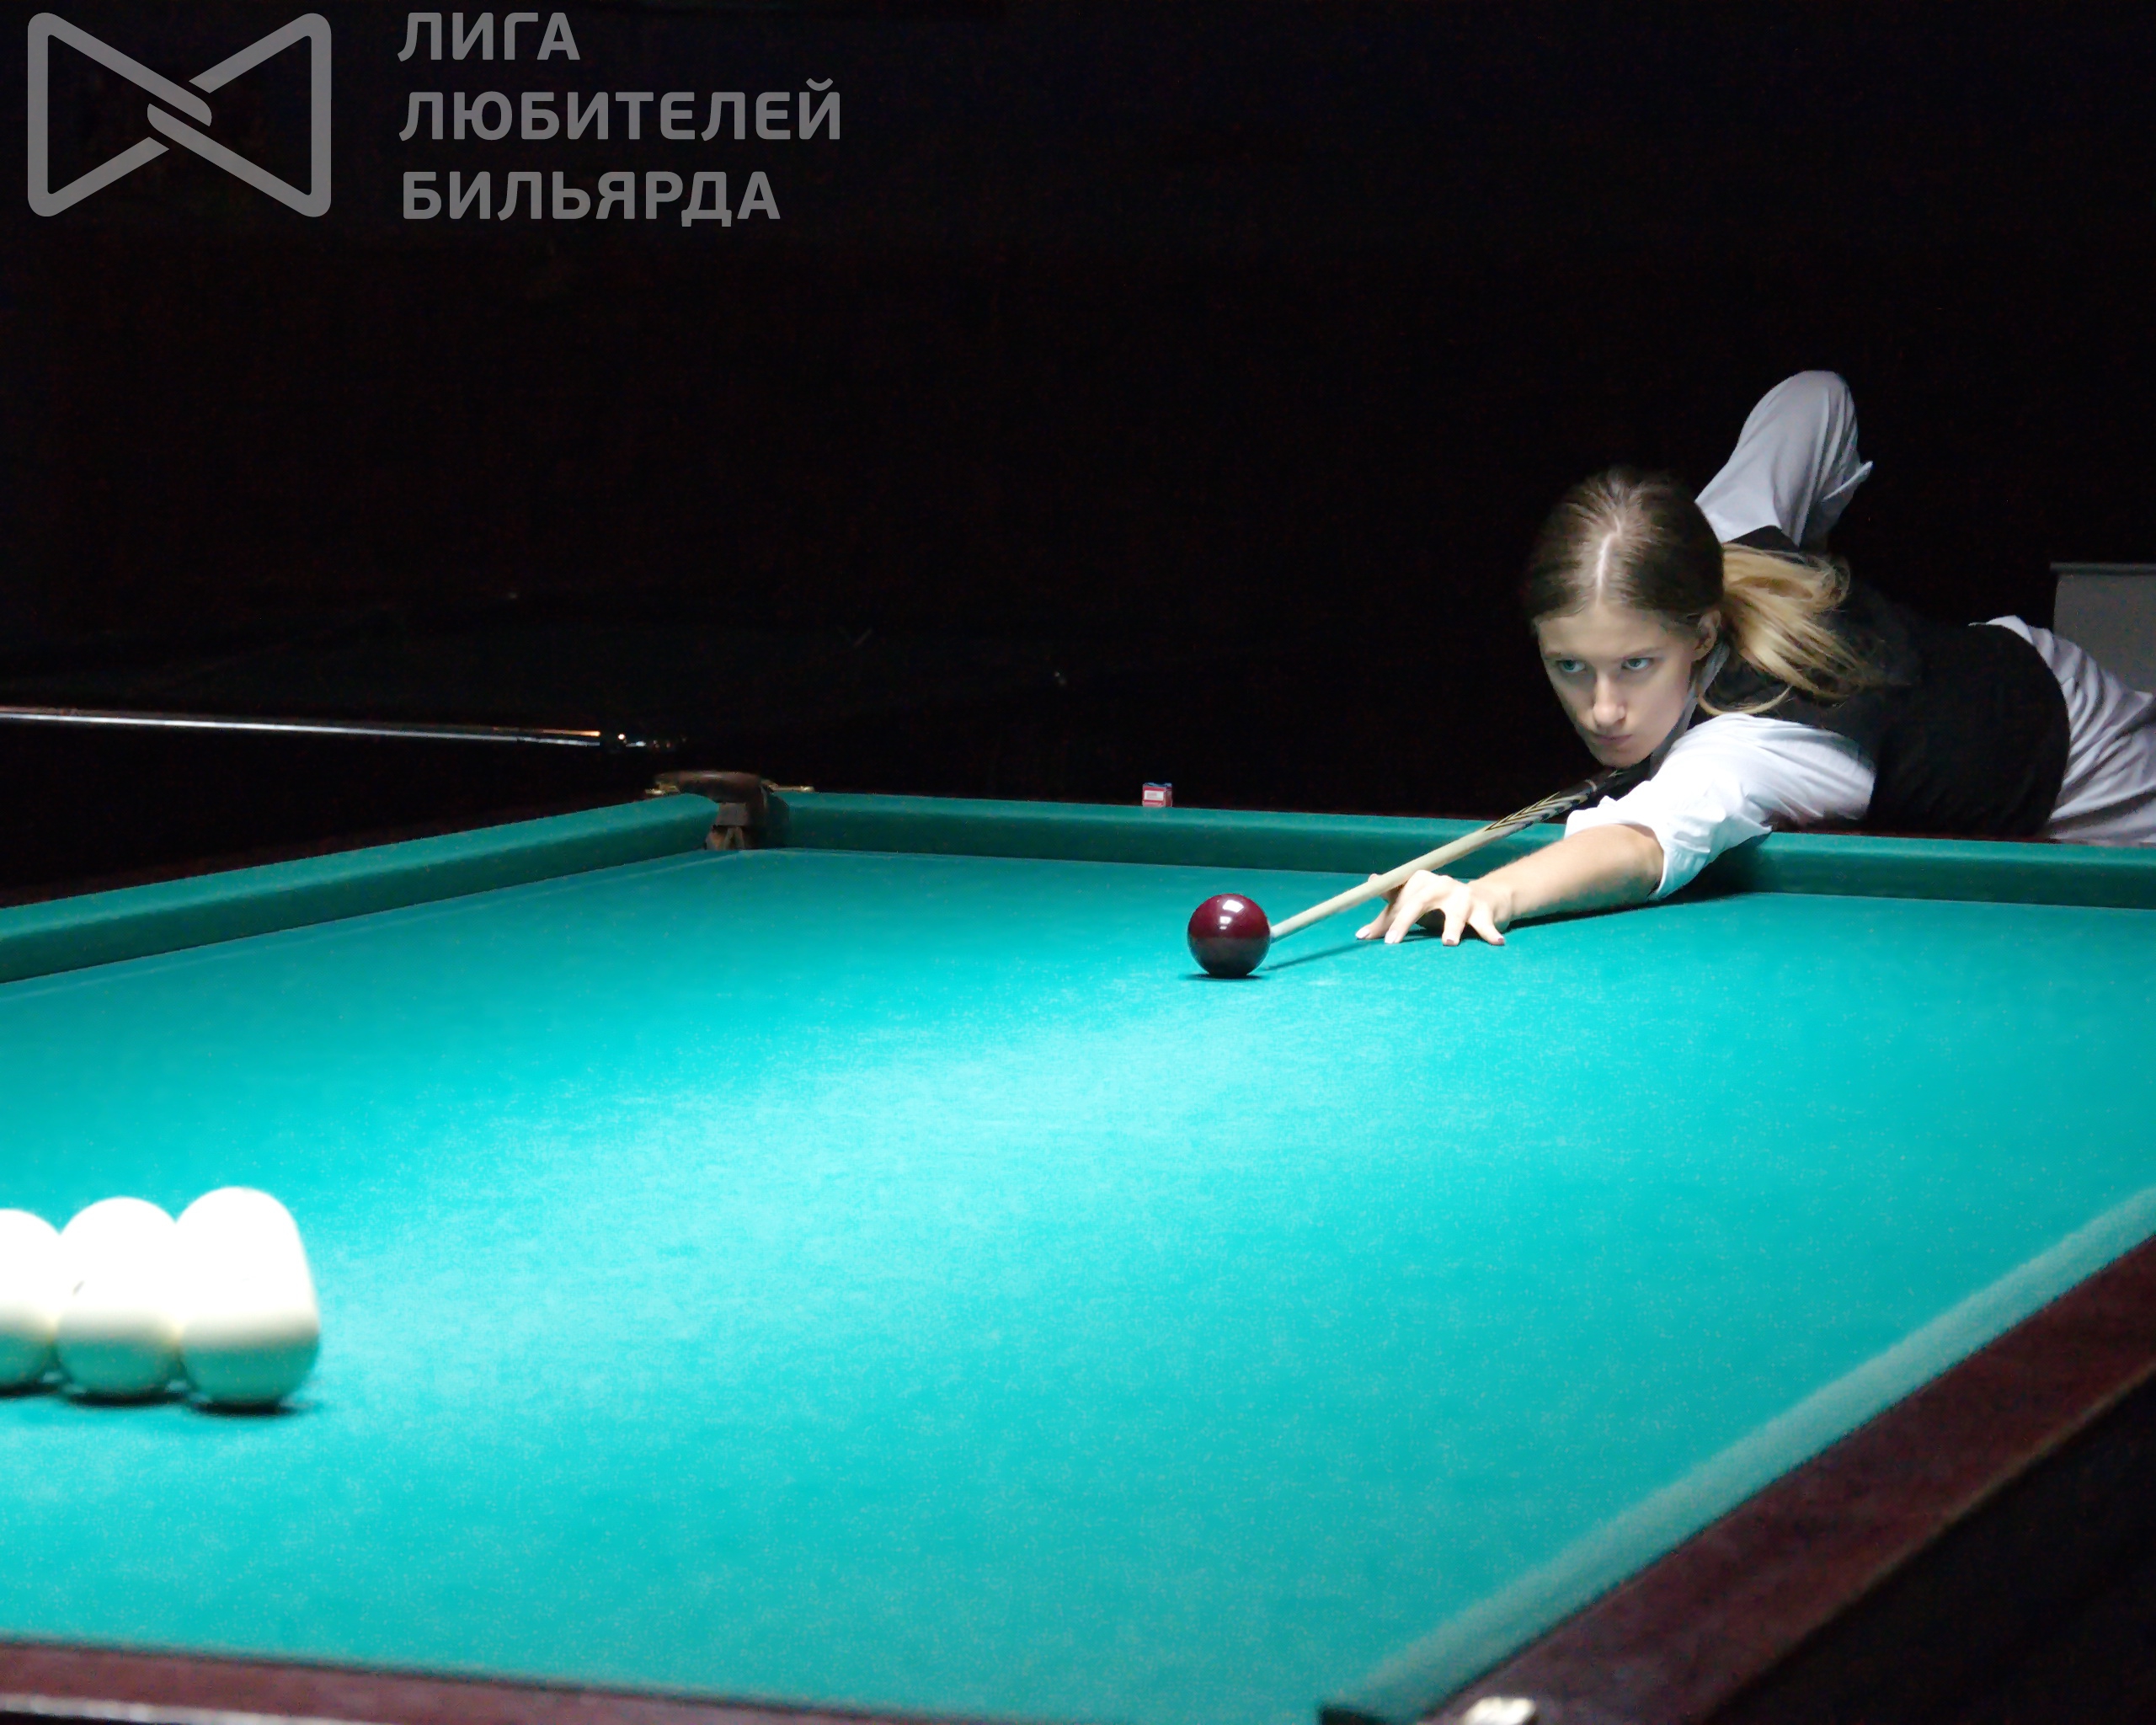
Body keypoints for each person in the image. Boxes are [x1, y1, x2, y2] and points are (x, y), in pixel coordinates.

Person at [1358, 371, 2156, 948]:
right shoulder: (1712, 540)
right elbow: (1816, 397)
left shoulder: (1756, 735)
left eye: (1636, 665)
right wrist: (1801, 557)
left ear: (1704, 635)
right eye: (1570, 667)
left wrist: (1493, 891)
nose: (1602, 710)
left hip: (2081, 757)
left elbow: (1642, 843)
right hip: (1994, 661)